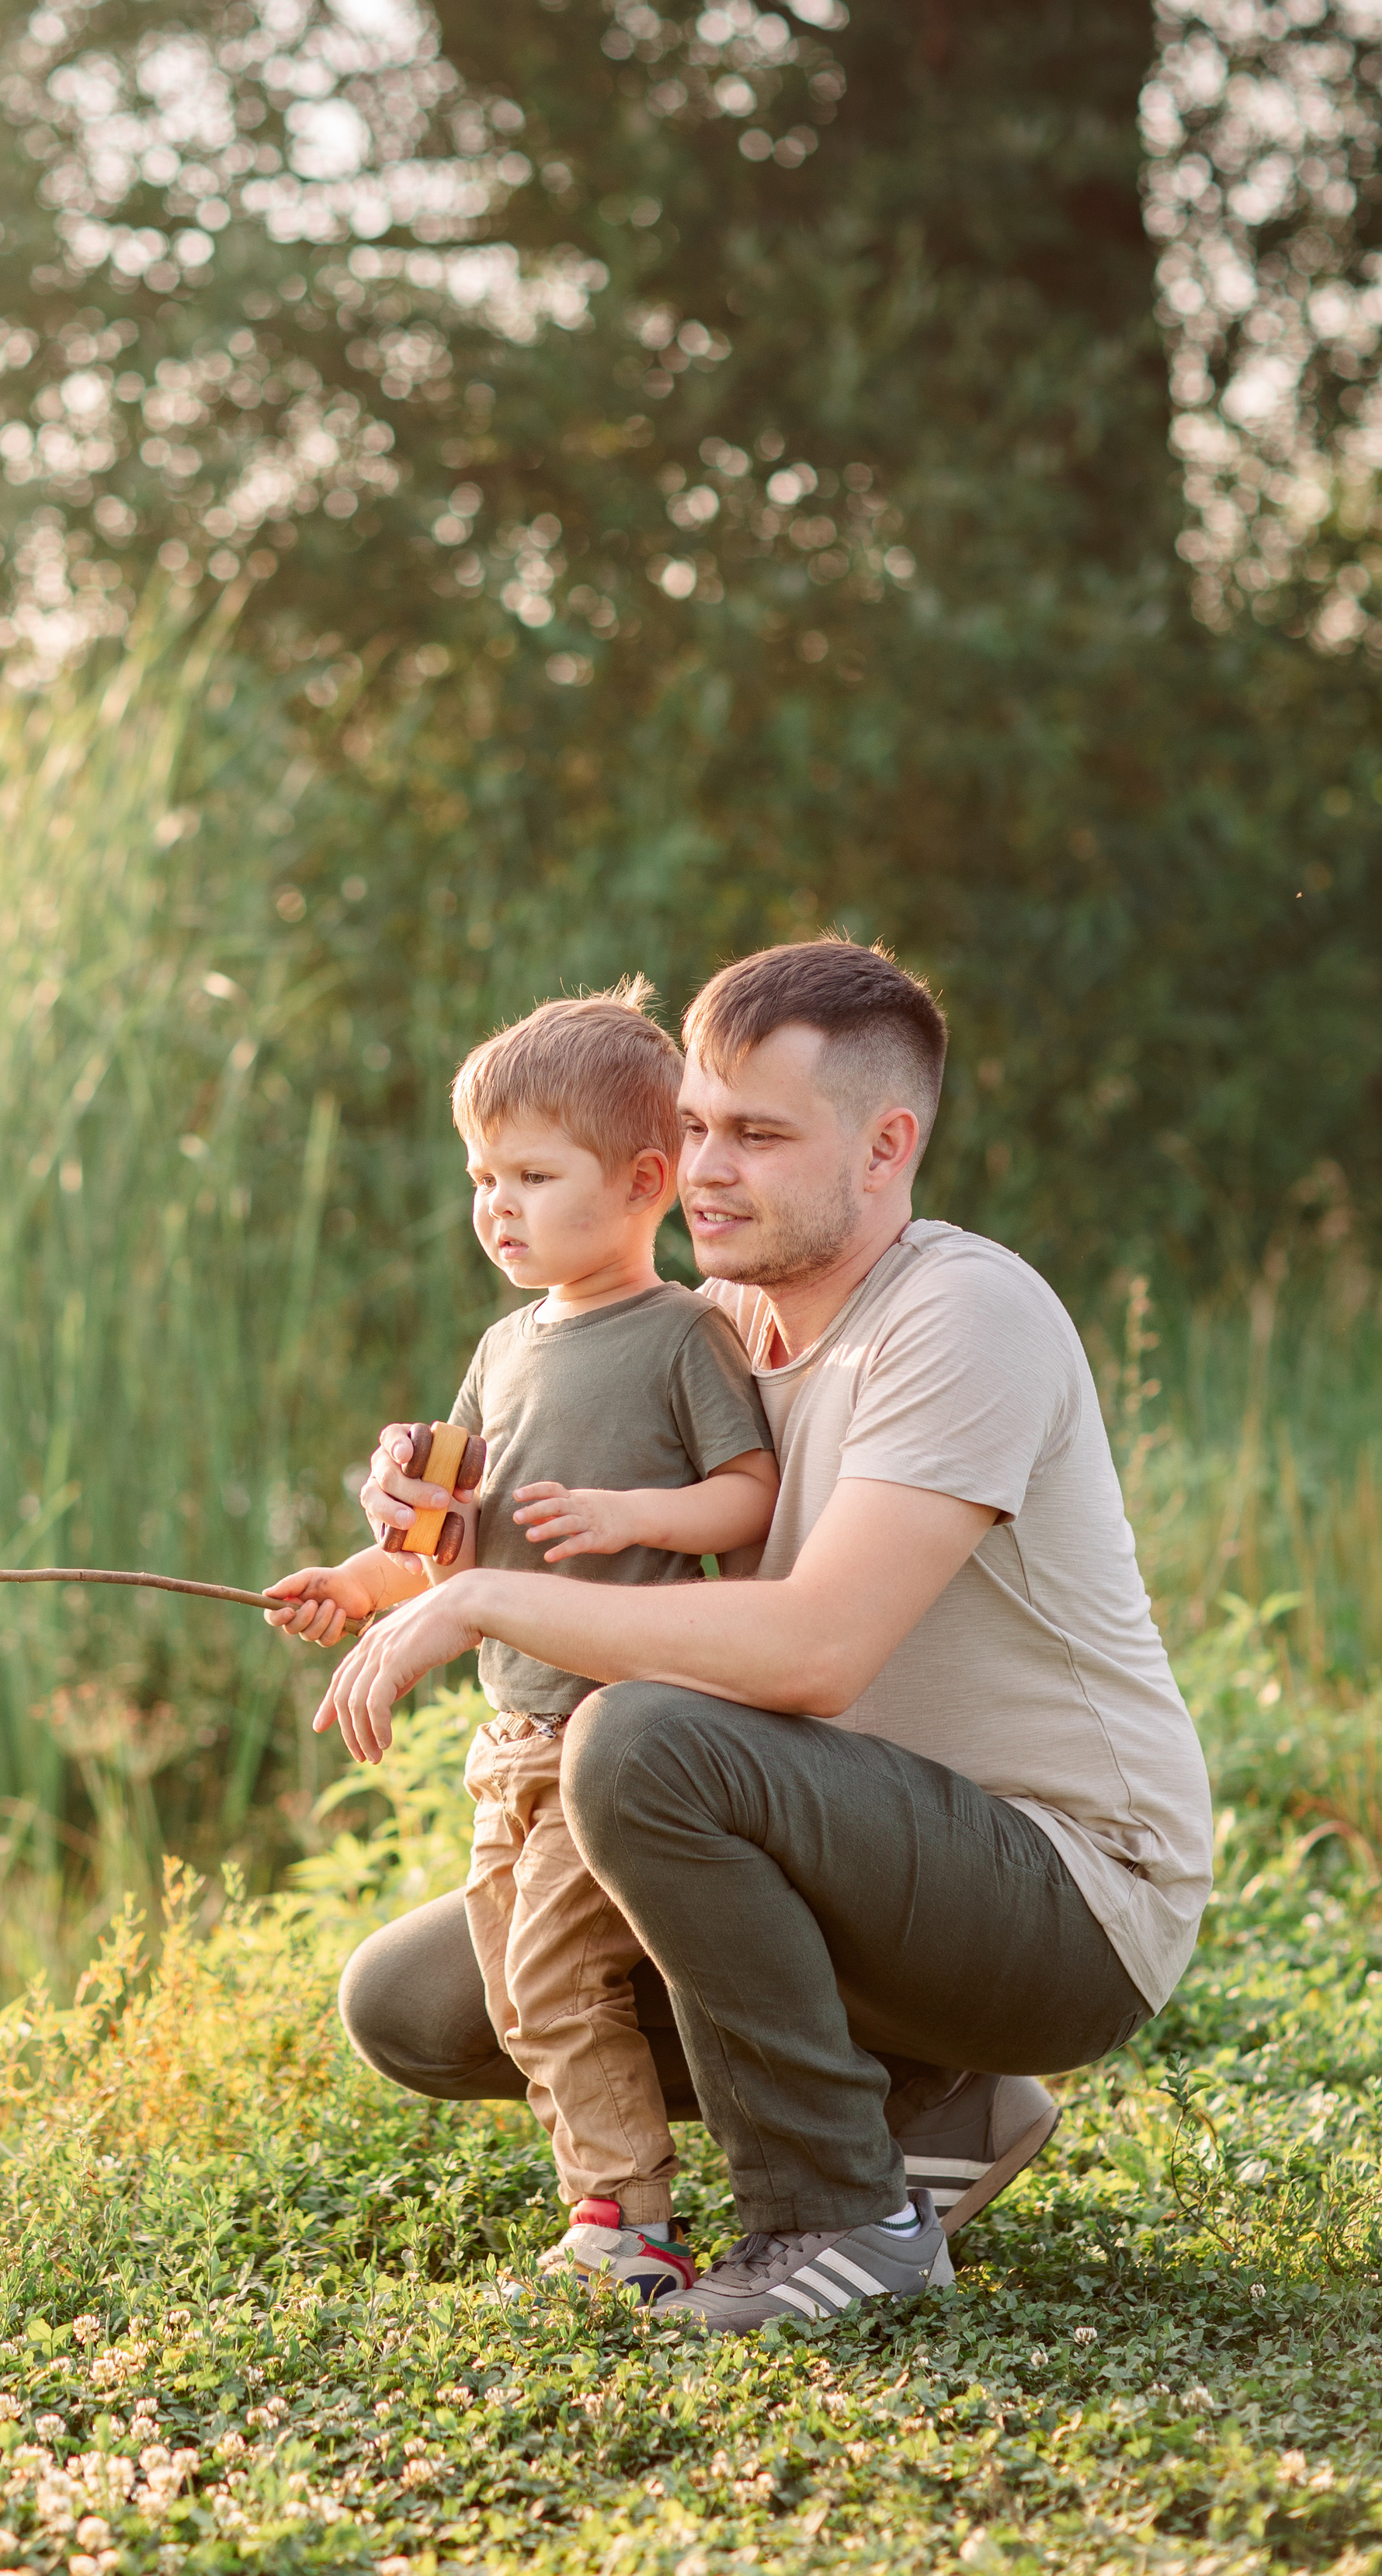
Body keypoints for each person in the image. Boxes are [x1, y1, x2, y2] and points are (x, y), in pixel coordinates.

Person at [314, 938, 1214, 2335]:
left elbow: (815, 1655)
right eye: (693, 1127)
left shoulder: (962, 1314)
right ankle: (939, 2101)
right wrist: (419, 1515)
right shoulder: (704, 1327)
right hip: (849, 1851)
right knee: (420, 2003)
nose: (708, 1169)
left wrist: (481, 1604)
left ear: (885, 1145)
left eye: (759, 1134)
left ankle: (844, 2217)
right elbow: (534, 1489)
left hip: (1064, 1897)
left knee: (643, 1739)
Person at [266, 984, 776, 2297]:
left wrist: (626, 1513)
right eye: (483, 1176)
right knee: (514, 1987)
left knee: (554, 1977)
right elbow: (449, 1549)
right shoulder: (500, 1352)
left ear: (643, 1180)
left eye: (532, 1176)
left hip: (624, 1740)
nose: (496, 1205)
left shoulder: (684, 1334)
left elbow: (750, 1494)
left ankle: (627, 2224)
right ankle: (617, 2206)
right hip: (511, 1743)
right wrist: (358, 1582)